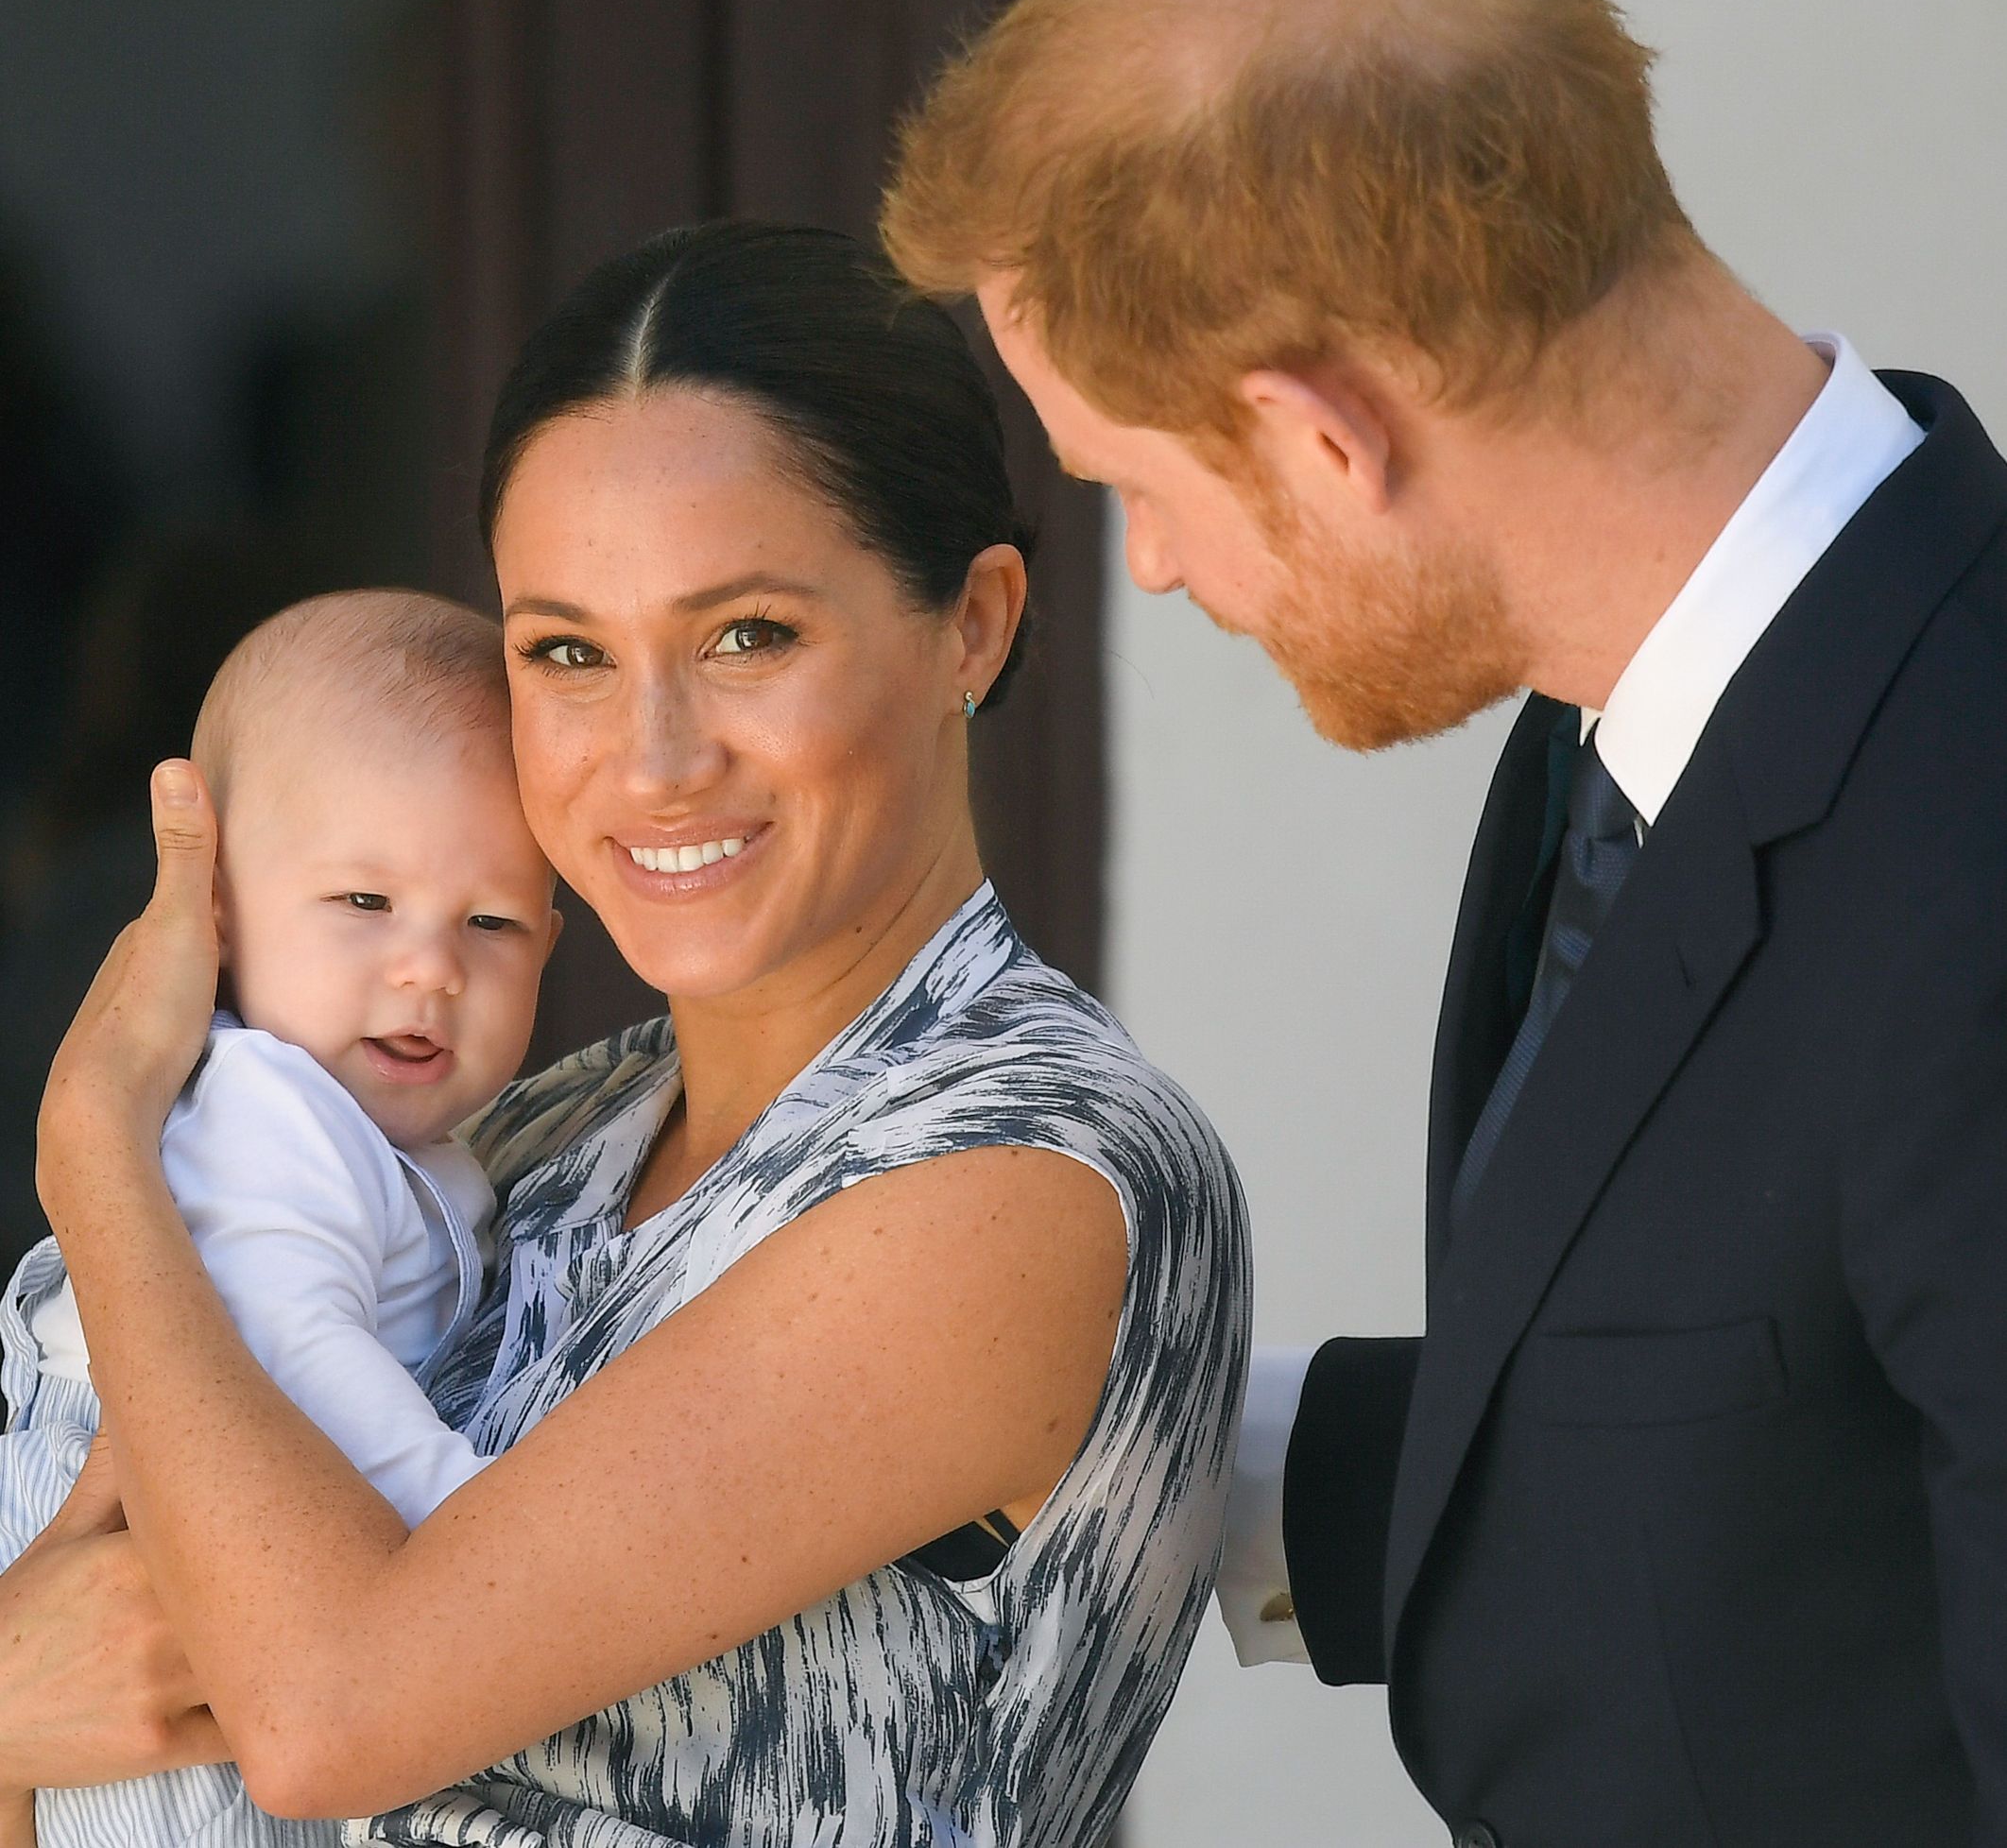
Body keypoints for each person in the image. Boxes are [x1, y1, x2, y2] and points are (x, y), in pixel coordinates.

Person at [882, 0, 2007, 1848]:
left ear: (1324, 436)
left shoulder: (1966, 843)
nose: (1158, 567)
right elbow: (1768, 1461)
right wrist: (1071, 1430)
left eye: (1134, 486)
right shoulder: (1634, 711)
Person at [1, 222, 1250, 1848]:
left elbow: (320, 1718)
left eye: (748, 636)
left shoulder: (1025, 1169)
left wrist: (97, 1146)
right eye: (569, 653)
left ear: (976, 624)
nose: (652, 761)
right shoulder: (528, 1135)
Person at [1, 589, 560, 1846]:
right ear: (217, 912)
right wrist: (476, 1537)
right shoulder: (271, 1111)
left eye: (492, 923)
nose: (430, 967)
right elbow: (292, 1351)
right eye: (364, 902)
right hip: (129, 1568)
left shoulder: (409, 1144)